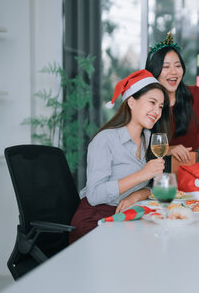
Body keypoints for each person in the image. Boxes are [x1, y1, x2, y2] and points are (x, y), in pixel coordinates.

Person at [69, 70, 170, 244]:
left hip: (127, 216)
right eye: (152, 103)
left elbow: (154, 187)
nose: (157, 111)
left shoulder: (150, 139)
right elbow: (94, 195)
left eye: (160, 106)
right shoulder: (105, 140)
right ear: (131, 102)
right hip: (95, 221)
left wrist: (137, 195)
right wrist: (141, 175)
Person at [145, 32, 199, 169]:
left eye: (178, 66)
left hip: (194, 167)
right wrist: (169, 149)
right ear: (154, 72)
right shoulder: (146, 102)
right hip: (157, 168)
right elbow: (137, 146)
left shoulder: (197, 95)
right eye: (166, 67)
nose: (174, 72)